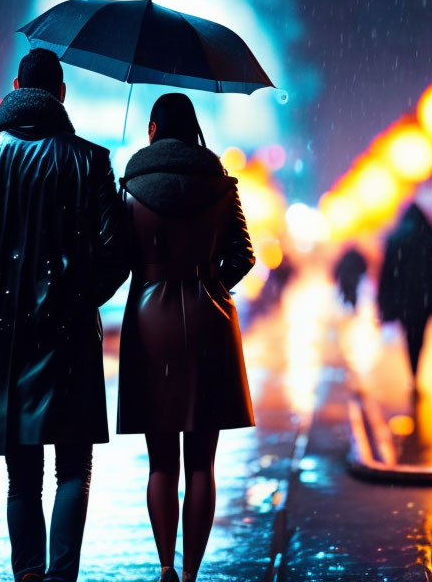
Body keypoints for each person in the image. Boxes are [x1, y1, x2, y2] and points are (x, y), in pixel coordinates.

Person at [0, 48, 129, 582]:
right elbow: (116, 255)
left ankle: (29, 578)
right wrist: (80, 294)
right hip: (68, 339)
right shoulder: (90, 160)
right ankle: (63, 577)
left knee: (22, 478)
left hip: (0, 340)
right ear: (60, 93)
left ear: (16, 86)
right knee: (73, 471)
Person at [116, 93, 255, 582]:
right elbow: (244, 255)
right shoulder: (220, 184)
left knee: (160, 462)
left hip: (149, 322)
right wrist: (210, 282)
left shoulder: (131, 184)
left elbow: (117, 256)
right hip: (208, 321)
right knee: (202, 462)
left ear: (153, 128)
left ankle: (165, 565)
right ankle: (194, 572)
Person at [377, 203, 432, 386]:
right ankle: (417, 368)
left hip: (404, 299)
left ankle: (413, 371)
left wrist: (385, 301)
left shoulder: (395, 239)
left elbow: (387, 273)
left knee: (409, 335)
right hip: (424, 298)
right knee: (420, 334)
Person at [333, 246, 368, 310]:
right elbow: (364, 266)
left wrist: (336, 277)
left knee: (346, 293)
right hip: (354, 279)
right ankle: (352, 307)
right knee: (353, 293)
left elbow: (338, 269)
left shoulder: (343, 257)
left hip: (345, 280)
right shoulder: (357, 256)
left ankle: (347, 308)